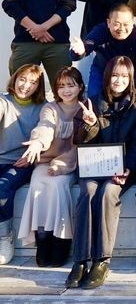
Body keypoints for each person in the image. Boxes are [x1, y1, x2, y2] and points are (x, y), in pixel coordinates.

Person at [67, 56, 136, 289]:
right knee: (88, 192)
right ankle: (80, 260)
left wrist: (128, 168)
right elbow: (80, 142)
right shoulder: (91, 102)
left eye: (124, 76)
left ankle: (102, 261)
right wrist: (90, 124)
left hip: (123, 168)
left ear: (130, 79)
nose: (118, 80)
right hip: (94, 166)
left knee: (108, 193)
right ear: (106, 76)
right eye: (114, 75)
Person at [15, 67, 83, 267]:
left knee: (57, 185)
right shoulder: (50, 108)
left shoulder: (86, 107)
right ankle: (43, 238)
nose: (66, 90)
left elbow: (80, 145)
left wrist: (61, 165)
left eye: (71, 85)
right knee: (38, 183)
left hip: (71, 163)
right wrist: (37, 143)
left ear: (80, 87)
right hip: (46, 161)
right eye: (61, 86)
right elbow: (45, 126)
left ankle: (61, 239)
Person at [0, 64, 46, 264]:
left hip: (22, 163)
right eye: (22, 79)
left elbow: (45, 128)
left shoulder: (43, 107)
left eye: (32, 82)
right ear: (15, 79)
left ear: (38, 86)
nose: (25, 85)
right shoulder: (3, 101)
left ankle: (5, 237)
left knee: (2, 189)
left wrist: (35, 148)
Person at [69, 4, 136, 100]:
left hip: (130, 74)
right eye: (116, 24)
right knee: (95, 98)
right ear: (108, 22)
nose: (121, 29)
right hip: (103, 70)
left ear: (132, 23)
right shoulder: (100, 31)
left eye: (126, 24)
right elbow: (88, 44)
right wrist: (80, 51)